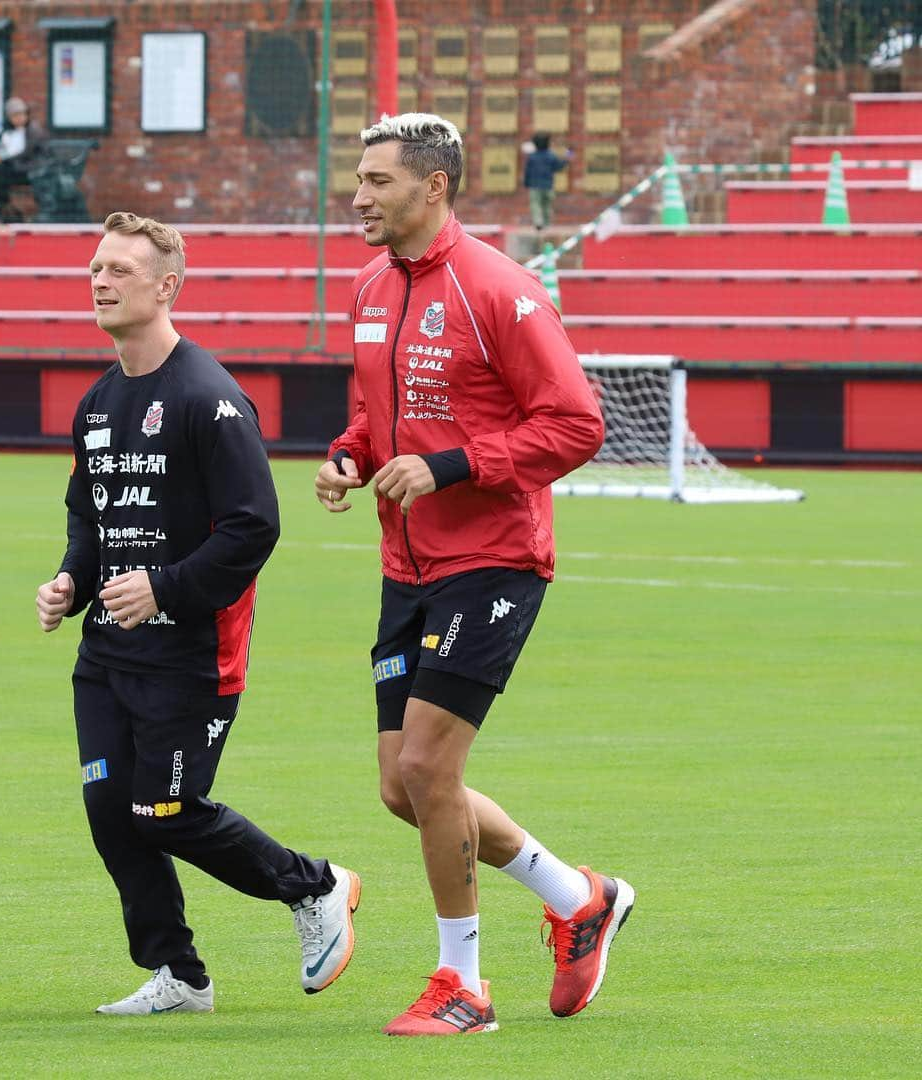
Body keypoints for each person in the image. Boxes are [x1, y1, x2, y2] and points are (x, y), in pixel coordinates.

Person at [314, 113, 634, 1036]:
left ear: (435, 187)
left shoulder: (502, 288)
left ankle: (465, 987)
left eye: (378, 180)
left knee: (427, 766)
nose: (360, 195)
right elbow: (379, 417)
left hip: (494, 559)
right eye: (360, 178)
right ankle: (580, 897)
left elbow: (576, 426)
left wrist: (450, 467)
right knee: (400, 787)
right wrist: (348, 454)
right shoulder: (372, 288)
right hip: (405, 562)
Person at [36, 211, 360, 1016]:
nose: (102, 283)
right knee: (112, 812)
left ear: (166, 286)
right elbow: (92, 515)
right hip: (107, 654)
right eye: (95, 270)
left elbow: (257, 526)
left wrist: (164, 589)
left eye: (119, 270)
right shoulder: (98, 403)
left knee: (168, 811)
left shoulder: (209, 398)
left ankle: (315, 886)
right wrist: (72, 580)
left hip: (193, 654)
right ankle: (178, 975)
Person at [0, 97, 48, 222]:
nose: (20, 118)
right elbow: (3, 149)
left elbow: (26, 153)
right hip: (13, 168)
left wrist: (4, 159)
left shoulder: (33, 130)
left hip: (29, 170)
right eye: (15, 115)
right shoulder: (9, 133)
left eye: (22, 114)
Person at [522, 132, 572, 232]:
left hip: (535, 185)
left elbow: (528, 171)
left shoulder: (532, 157)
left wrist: (526, 182)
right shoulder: (551, 156)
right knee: (547, 206)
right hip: (548, 185)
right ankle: (547, 223)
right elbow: (558, 167)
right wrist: (567, 159)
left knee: (536, 205)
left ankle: (538, 222)